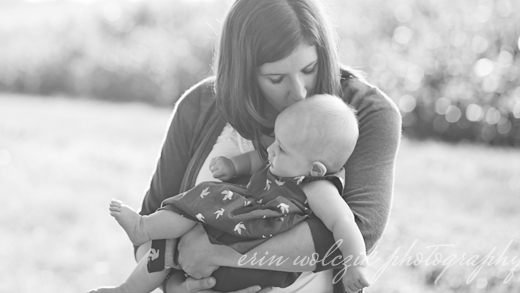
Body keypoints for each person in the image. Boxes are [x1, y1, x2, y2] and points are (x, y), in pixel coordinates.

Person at [136, 0, 401, 293]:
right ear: (244, 74)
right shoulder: (199, 106)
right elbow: (148, 227)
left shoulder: (365, 114)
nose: (299, 92)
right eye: (276, 78)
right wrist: (174, 286)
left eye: (310, 68)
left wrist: (220, 255)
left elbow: (358, 230)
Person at [93, 95, 369, 293]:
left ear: (316, 169)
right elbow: (256, 160)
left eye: (281, 148)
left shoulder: (316, 186)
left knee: (201, 205)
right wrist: (232, 165)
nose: (271, 150)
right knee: (168, 244)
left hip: (251, 249)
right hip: (238, 227)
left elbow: (343, 222)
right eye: (274, 141)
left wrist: (355, 264)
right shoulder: (287, 162)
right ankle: (129, 284)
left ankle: (144, 228)